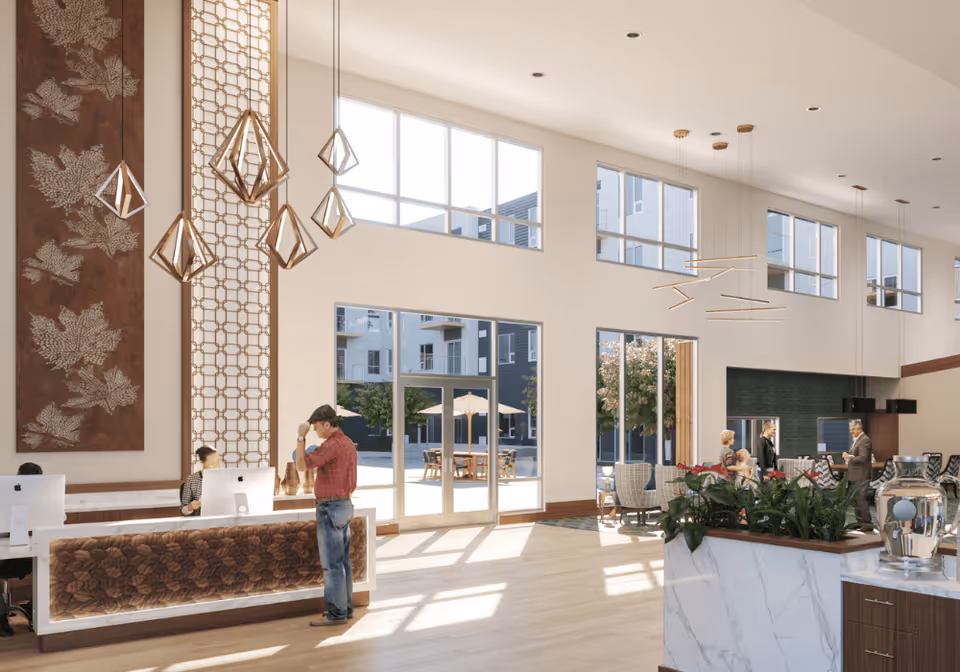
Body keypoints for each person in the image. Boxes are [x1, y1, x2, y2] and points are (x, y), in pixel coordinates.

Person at [297, 404, 358, 628]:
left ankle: (337, 613)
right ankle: (346, 608)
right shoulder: (349, 444)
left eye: (316, 428)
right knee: (343, 562)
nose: (316, 432)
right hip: (344, 505)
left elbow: (302, 465)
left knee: (331, 565)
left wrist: (300, 437)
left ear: (327, 423)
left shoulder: (331, 446)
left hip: (330, 507)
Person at [0, 463, 44, 637]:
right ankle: (2, 616)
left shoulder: (46, 498)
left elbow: (58, 519)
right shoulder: (4, 495)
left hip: (29, 556)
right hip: (6, 557)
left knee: (51, 564)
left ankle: (36, 612)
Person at [843, 419, 873, 529]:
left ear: (859, 428)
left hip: (861, 475)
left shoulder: (865, 440)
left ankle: (867, 524)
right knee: (855, 500)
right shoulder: (857, 440)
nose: (851, 431)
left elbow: (863, 458)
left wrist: (849, 457)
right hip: (854, 475)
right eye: (850, 429)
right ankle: (859, 523)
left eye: (853, 429)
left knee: (861, 500)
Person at [180, 446, 220, 516]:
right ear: (202, 462)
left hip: (223, 519)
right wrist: (191, 506)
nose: (216, 466)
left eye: (218, 462)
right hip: (201, 520)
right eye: (212, 464)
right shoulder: (192, 480)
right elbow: (183, 510)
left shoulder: (223, 477)